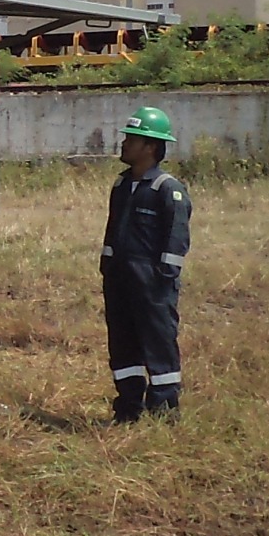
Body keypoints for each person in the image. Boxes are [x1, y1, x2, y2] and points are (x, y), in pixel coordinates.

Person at [100, 105, 191, 423]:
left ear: (150, 146)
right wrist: (108, 263)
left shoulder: (168, 190)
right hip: (120, 279)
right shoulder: (122, 185)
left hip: (151, 282)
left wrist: (162, 275)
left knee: (158, 343)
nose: (124, 143)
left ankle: (164, 410)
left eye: (132, 139)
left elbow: (177, 238)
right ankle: (128, 407)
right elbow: (113, 229)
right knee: (123, 343)